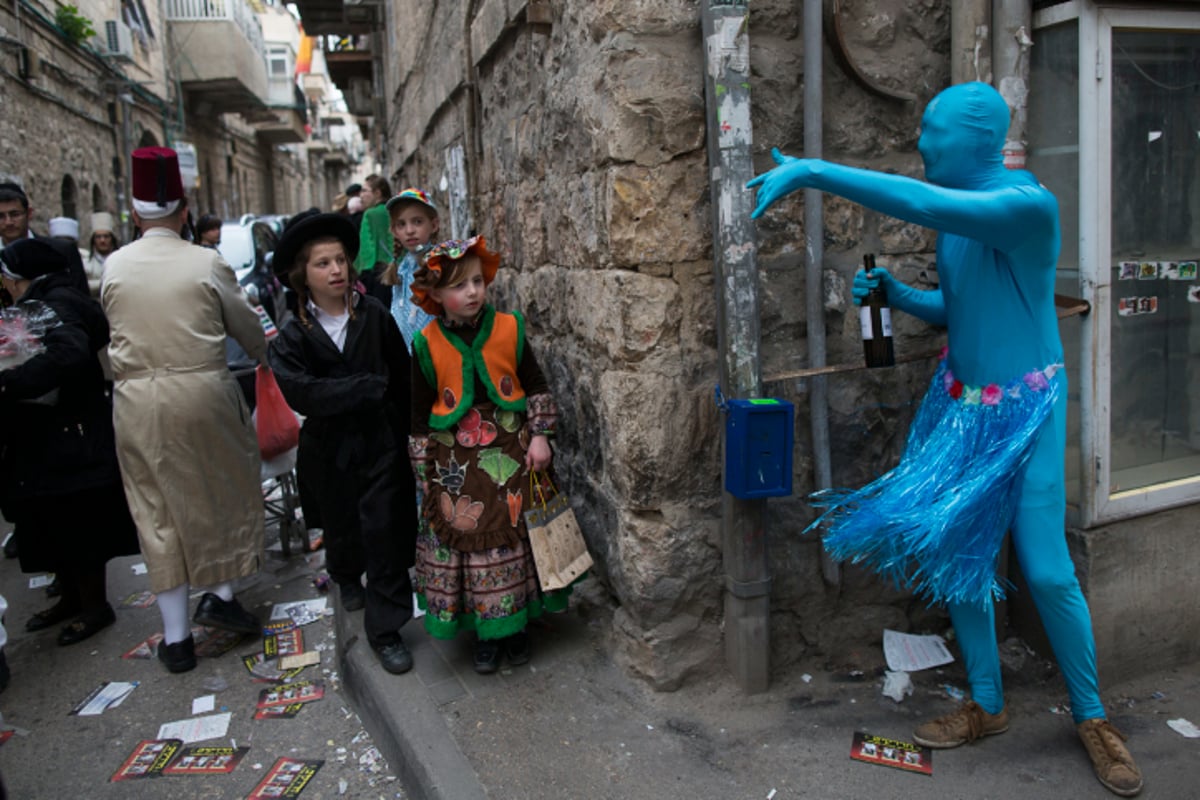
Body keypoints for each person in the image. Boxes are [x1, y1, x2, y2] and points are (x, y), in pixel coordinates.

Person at [747, 81, 1142, 797]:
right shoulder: (962, 220)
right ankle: (987, 705)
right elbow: (960, 308)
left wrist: (813, 171)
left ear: (976, 137)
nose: (921, 142)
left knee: (1048, 570)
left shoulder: (1024, 205)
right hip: (961, 409)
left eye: (932, 129)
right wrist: (899, 296)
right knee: (961, 559)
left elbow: (924, 202)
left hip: (1024, 412)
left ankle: (1092, 717)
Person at [102, 146, 268, 674]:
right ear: (184, 209)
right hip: (199, 389)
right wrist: (268, 355)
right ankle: (220, 596)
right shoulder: (205, 261)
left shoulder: (114, 265)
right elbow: (246, 327)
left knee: (156, 508)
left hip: (134, 399)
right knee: (218, 490)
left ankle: (176, 640)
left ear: (134, 214)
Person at [266, 210, 418, 675]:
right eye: (322, 264)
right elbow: (302, 391)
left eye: (339, 261)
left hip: (381, 441)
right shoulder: (293, 334)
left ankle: (386, 628)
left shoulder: (373, 314)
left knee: (386, 530)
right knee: (343, 522)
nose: (335, 271)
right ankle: (345, 574)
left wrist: (414, 431)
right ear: (302, 277)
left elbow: (402, 376)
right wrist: (363, 387)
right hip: (329, 449)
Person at [408, 236, 567, 674]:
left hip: (513, 455)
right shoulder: (426, 344)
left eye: (478, 281)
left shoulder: (509, 329)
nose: (474, 292)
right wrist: (424, 470)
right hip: (455, 468)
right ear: (436, 295)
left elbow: (534, 383)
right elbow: (419, 415)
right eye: (460, 286)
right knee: (469, 549)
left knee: (514, 539)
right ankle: (484, 634)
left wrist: (541, 435)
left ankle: (515, 629)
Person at [0, 237, 140, 645]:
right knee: (53, 518)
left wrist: (11, 381)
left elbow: (69, 353)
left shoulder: (57, 304)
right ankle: (73, 600)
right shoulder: (46, 301)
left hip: (68, 432)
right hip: (51, 434)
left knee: (77, 520)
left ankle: (94, 606)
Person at [380, 188, 439, 350]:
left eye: (418, 222)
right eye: (401, 224)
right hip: (408, 359)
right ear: (394, 231)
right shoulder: (402, 270)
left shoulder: (440, 263)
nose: (409, 230)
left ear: (434, 225)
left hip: (436, 355)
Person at [353, 174, 393, 306]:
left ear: (377, 193)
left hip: (375, 272)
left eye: (365, 191)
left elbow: (365, 247)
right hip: (394, 270)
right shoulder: (392, 210)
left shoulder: (371, 214)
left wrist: (357, 272)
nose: (361, 196)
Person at [85, 212, 120, 299]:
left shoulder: (120, 261)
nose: (102, 240)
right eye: (98, 237)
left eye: (106, 236)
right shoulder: (86, 264)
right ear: (93, 240)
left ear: (112, 239)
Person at [0, 182, 34, 247]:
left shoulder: (52, 250)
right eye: (1, 217)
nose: (8, 222)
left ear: (29, 213)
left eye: (15, 215)